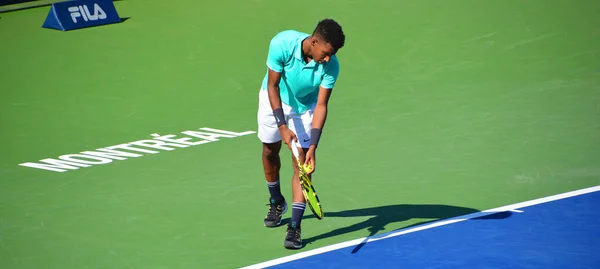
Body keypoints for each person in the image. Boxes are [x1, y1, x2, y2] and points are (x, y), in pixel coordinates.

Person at [256, 18, 345, 249]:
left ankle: (294, 226)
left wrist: (313, 147)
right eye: (325, 53)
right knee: (269, 150)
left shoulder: (331, 65)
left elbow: (322, 106)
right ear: (314, 41)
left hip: (305, 108)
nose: (327, 59)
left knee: (302, 166)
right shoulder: (281, 43)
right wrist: (282, 127)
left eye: (331, 55)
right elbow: (273, 86)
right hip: (274, 100)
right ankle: (276, 201)